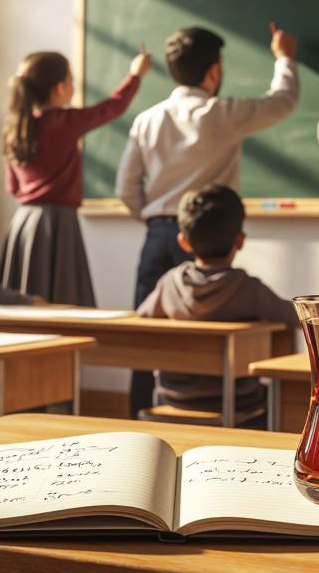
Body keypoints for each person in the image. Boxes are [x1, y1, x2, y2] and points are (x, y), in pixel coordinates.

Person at [116, 23, 298, 416]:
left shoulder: (147, 119)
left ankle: (141, 427)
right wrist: (284, 58)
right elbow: (281, 101)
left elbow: (126, 187)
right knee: (213, 345)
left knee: (145, 339)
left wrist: (154, 220)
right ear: (213, 71)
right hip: (208, 237)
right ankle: (217, 420)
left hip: (159, 235)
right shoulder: (222, 114)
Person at [0, 47, 151, 304]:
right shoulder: (63, 122)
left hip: (24, 223)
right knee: (62, 299)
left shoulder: (15, 129)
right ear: (60, 88)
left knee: (24, 301)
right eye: (71, 81)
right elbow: (112, 107)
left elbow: (12, 187)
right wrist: (135, 75)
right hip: (58, 223)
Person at [137, 185, 296, 424]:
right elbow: (294, 317)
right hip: (238, 406)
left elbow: (142, 316)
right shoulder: (247, 288)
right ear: (240, 241)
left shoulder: (170, 284)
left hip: (174, 399)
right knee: (276, 399)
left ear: (183, 241)